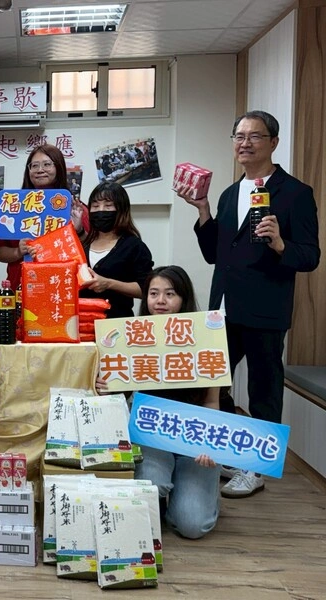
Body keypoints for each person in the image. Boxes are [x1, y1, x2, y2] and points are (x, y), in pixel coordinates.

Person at [180, 110, 320, 499]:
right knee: (214, 385)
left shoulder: (296, 193)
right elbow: (215, 255)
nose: (245, 143)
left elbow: (310, 257)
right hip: (222, 307)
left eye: (254, 136)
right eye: (238, 136)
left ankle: (255, 469)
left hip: (264, 308)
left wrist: (280, 245)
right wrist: (204, 211)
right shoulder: (229, 193)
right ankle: (229, 454)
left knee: (263, 388)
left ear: (273, 142)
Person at [95, 266, 221, 539]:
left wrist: (209, 444)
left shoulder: (207, 338)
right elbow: (120, 399)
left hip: (193, 440)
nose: (160, 301)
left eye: (170, 294)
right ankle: (167, 493)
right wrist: (106, 389)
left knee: (192, 525)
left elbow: (212, 402)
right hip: (152, 437)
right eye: (153, 293)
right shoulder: (130, 339)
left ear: (183, 298)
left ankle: (194, 494)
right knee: (151, 485)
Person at [0, 144, 89, 291]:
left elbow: (91, 249)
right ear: (28, 170)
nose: (40, 170)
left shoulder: (75, 208)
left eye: (47, 164)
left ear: (59, 168)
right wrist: (18, 252)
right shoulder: (13, 205)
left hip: (62, 286)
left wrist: (78, 231)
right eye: (34, 166)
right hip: (21, 286)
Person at [80, 181, 153, 318]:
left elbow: (146, 289)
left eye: (108, 206)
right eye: (95, 206)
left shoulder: (134, 246)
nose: (100, 210)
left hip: (116, 325)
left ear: (121, 210)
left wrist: (109, 284)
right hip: (81, 326)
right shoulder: (82, 245)